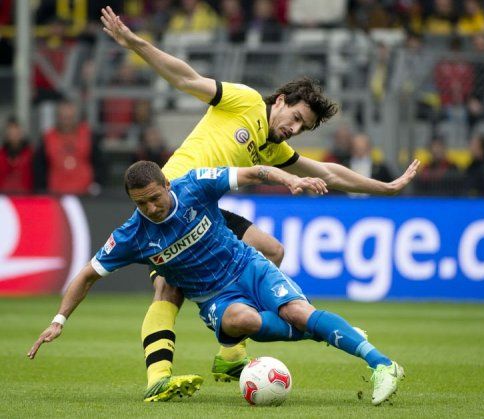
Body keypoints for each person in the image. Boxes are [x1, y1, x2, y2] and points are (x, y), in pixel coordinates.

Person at [100, 5, 420, 401]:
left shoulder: (272, 148)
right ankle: (159, 378)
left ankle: (231, 350)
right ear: (281, 100)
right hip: (174, 202)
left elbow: (330, 173)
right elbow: (186, 78)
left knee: (272, 249)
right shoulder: (246, 101)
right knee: (168, 290)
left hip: (208, 211)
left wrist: (386, 188)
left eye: (303, 127)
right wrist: (134, 43)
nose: (294, 129)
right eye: (296, 118)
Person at [28, 161, 405, 406]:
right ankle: (329, 331)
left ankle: (383, 364)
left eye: (155, 199)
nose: (152, 209)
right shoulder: (133, 235)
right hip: (213, 299)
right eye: (141, 204)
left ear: (167, 185)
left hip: (247, 266)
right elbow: (87, 275)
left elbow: (255, 172)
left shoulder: (194, 186)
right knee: (244, 322)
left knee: (296, 311)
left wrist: (289, 177)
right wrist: (58, 320)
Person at [34, 100, 105, 195]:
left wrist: (97, 183)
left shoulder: (88, 135)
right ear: (57, 118)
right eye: (63, 118)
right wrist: (43, 188)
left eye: (69, 118)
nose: (66, 122)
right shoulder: (48, 138)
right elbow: (39, 167)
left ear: (75, 118)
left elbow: (99, 162)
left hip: (85, 195)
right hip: (56, 194)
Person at [0, 117, 34, 193]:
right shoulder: (1, 155)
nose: (13, 136)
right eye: (10, 132)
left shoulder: (30, 154)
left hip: (25, 198)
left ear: (21, 133)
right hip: (4, 200)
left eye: (16, 132)